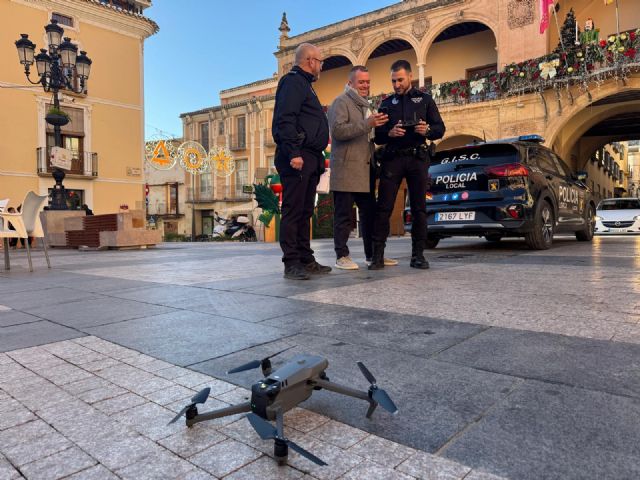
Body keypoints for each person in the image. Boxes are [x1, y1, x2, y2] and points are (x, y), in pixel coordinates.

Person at [369, 60, 445, 270]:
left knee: (419, 208)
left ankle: (418, 255)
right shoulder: (386, 103)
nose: (396, 85)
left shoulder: (425, 100)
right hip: (393, 159)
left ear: (410, 77)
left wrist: (426, 131)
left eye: (400, 80)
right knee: (384, 207)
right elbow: (378, 136)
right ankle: (377, 256)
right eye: (393, 81)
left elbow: (440, 129)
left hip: (416, 159)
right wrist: (389, 133)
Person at [327, 65, 398, 270]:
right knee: (343, 215)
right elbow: (338, 131)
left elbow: (368, 135)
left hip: (365, 170)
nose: (366, 85)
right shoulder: (340, 102)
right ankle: (342, 256)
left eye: (368, 81)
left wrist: (386, 131)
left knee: (370, 215)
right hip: (346, 169)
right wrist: (368, 124)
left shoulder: (366, 105)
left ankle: (373, 256)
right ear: (351, 83)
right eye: (361, 82)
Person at [272, 43, 331, 280]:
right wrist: (294, 153)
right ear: (310, 61)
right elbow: (285, 119)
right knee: (294, 210)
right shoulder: (293, 82)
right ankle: (292, 262)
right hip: (297, 157)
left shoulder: (305, 85)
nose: (321, 66)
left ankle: (305, 258)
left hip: (310, 158)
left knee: (305, 211)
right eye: (320, 62)